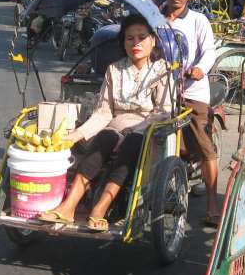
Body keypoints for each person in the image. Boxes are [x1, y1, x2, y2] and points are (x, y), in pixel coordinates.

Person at [39, 14, 173, 231]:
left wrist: (132, 132)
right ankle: (69, 206)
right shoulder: (115, 69)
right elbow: (103, 112)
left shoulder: (163, 70)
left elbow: (163, 111)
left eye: (142, 37)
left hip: (146, 130)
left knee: (131, 144)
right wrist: (77, 134)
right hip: (115, 125)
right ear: (123, 42)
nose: (136, 43)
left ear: (153, 40)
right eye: (130, 38)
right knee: (104, 138)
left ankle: (99, 209)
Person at [160, 0, 220, 226]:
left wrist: (199, 69)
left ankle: (212, 204)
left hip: (192, 91)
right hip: (160, 91)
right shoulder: (155, 18)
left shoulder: (198, 20)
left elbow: (209, 52)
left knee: (205, 148)